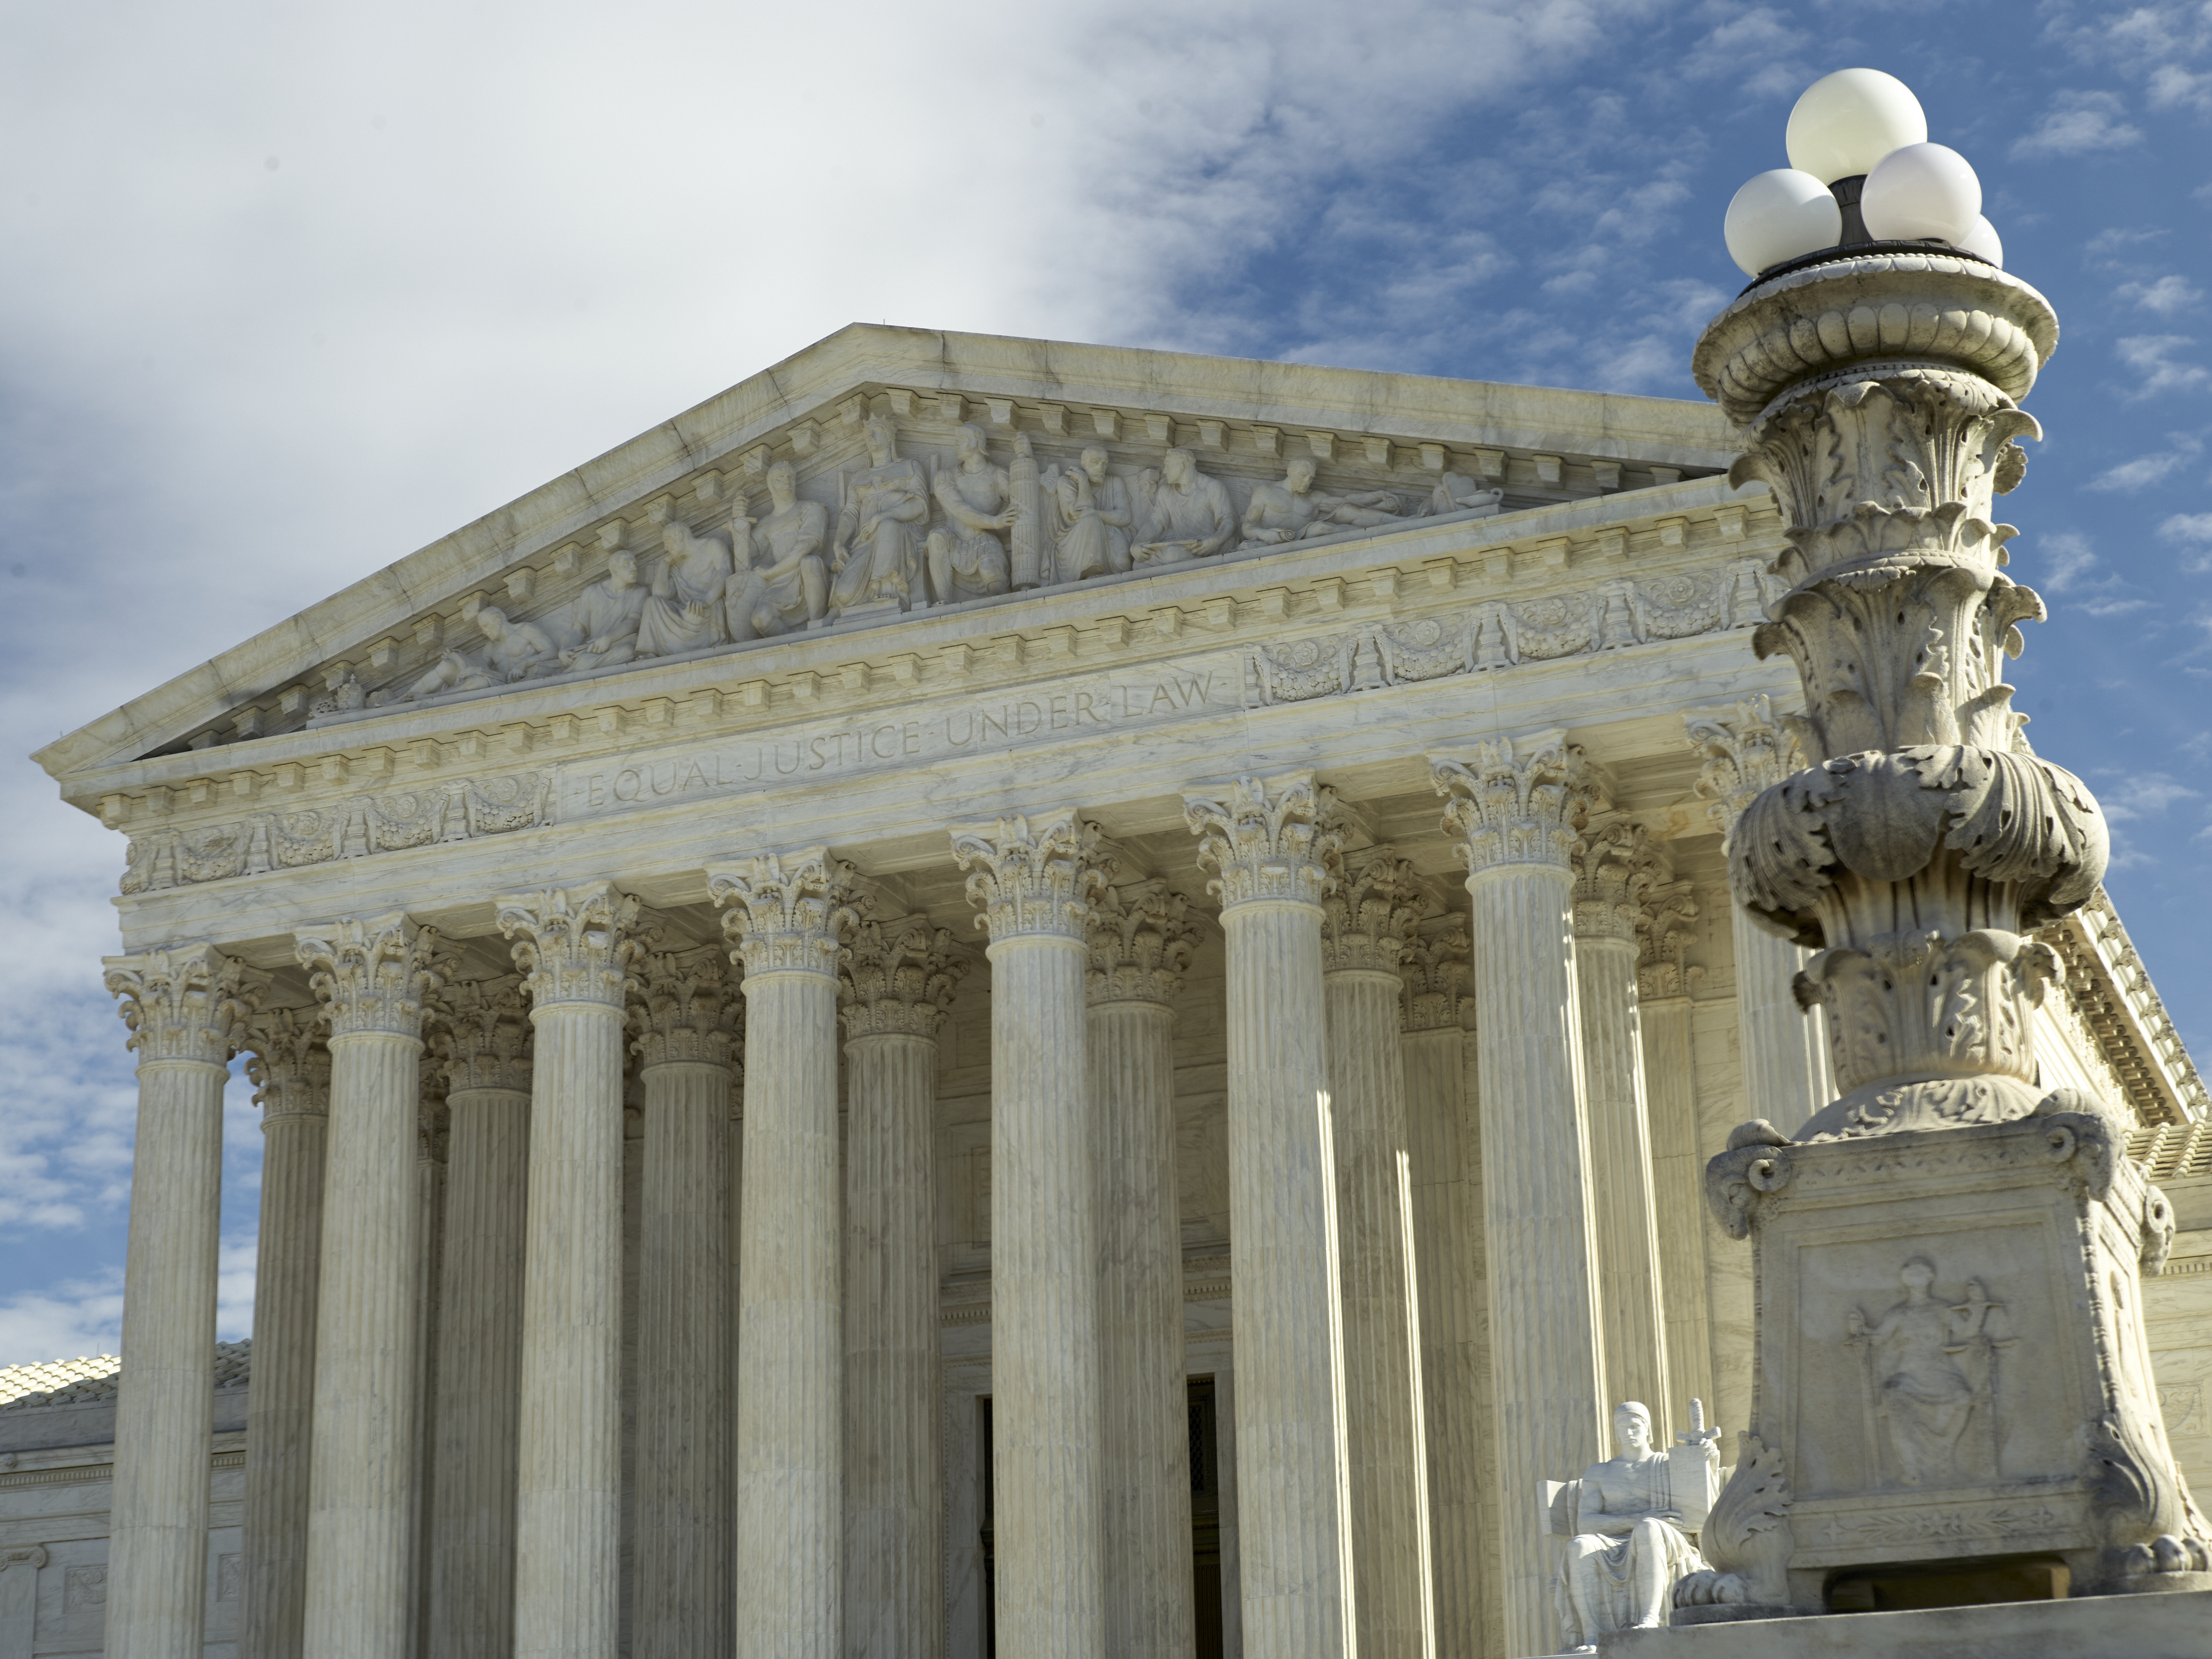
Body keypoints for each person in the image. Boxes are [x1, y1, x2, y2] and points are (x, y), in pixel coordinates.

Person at [1554, 1401, 1709, 1652]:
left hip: (1663, 1539)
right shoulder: (1599, 1473)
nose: (1628, 1432)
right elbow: (1586, 1523)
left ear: (1648, 1429)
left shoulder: (1668, 1465)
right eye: (1622, 1427)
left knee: (1649, 1529)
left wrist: (1705, 1456)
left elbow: (1703, 1502)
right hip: (1614, 1541)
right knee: (1580, 1545)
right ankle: (1593, 1635)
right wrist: (1638, 1518)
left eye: (1634, 1426)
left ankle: (1649, 1619)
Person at [831, 414, 930, 614]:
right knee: (844, 595)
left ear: (890, 437)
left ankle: (889, 591)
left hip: (902, 535)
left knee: (888, 526)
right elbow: (850, 514)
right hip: (865, 541)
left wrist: (881, 517)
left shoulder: (909, 466)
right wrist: (839, 542)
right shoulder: (858, 478)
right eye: (868, 433)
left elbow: (920, 505)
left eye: (877, 431)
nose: (871, 436)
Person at [728, 460, 828, 638]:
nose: (787, 482)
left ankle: (817, 628)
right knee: (760, 619)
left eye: (791, 477)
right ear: (771, 485)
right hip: (780, 585)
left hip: (807, 578)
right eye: (780, 478)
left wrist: (770, 573)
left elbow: (805, 547)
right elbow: (746, 558)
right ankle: (793, 641)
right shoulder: (767, 523)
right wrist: (739, 521)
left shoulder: (812, 508)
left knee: (810, 562)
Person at [381, 606, 560, 704]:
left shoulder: (525, 630)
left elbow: (552, 651)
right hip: (498, 679)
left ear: (498, 620)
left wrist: (525, 663)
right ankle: (402, 699)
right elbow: (480, 666)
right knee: (448, 666)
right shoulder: (490, 647)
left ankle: (430, 699)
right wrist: (461, 658)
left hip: (517, 681)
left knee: (479, 683)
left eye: (486, 626)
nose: (484, 632)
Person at [926, 422, 1014, 606]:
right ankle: (944, 601)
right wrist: (995, 522)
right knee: (935, 537)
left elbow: (1018, 504)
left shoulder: (998, 475)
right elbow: (958, 508)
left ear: (978, 441)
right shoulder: (946, 476)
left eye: (962, 439)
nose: (956, 444)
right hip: (954, 539)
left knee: (995, 579)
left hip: (985, 540)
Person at [635, 519, 732, 659]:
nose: (666, 548)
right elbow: (660, 594)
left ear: (680, 536)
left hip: (707, 609)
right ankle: (651, 652)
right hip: (687, 611)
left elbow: (724, 574)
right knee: (651, 603)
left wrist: (706, 601)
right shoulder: (677, 565)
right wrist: (665, 564)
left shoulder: (712, 546)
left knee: (694, 614)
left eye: (667, 541)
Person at [1131, 448, 1236, 565]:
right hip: (1184, 546)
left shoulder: (1212, 487)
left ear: (1182, 466)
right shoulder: (1165, 492)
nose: (1165, 471)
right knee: (1139, 564)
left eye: (1167, 466)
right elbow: (1156, 523)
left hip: (1209, 544)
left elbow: (1228, 520)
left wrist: (1215, 541)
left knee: (1173, 555)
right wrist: (1137, 544)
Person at [1047, 444, 1135, 584]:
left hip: (1110, 532)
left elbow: (1125, 517)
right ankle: (1093, 570)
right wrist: (1083, 481)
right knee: (1091, 521)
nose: (1101, 468)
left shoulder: (1115, 482)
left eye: (1105, 464)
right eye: (1095, 463)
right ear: (1084, 464)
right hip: (1077, 537)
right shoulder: (1066, 482)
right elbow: (1078, 516)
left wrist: (1096, 513)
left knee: (1123, 563)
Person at [561, 546, 648, 672]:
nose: (635, 568)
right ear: (614, 569)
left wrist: (608, 639)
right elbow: (579, 629)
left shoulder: (640, 593)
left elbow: (634, 622)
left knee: (628, 652)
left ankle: (582, 668)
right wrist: (565, 649)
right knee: (582, 660)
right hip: (592, 651)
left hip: (618, 649)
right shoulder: (591, 592)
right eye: (627, 564)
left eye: (635, 564)